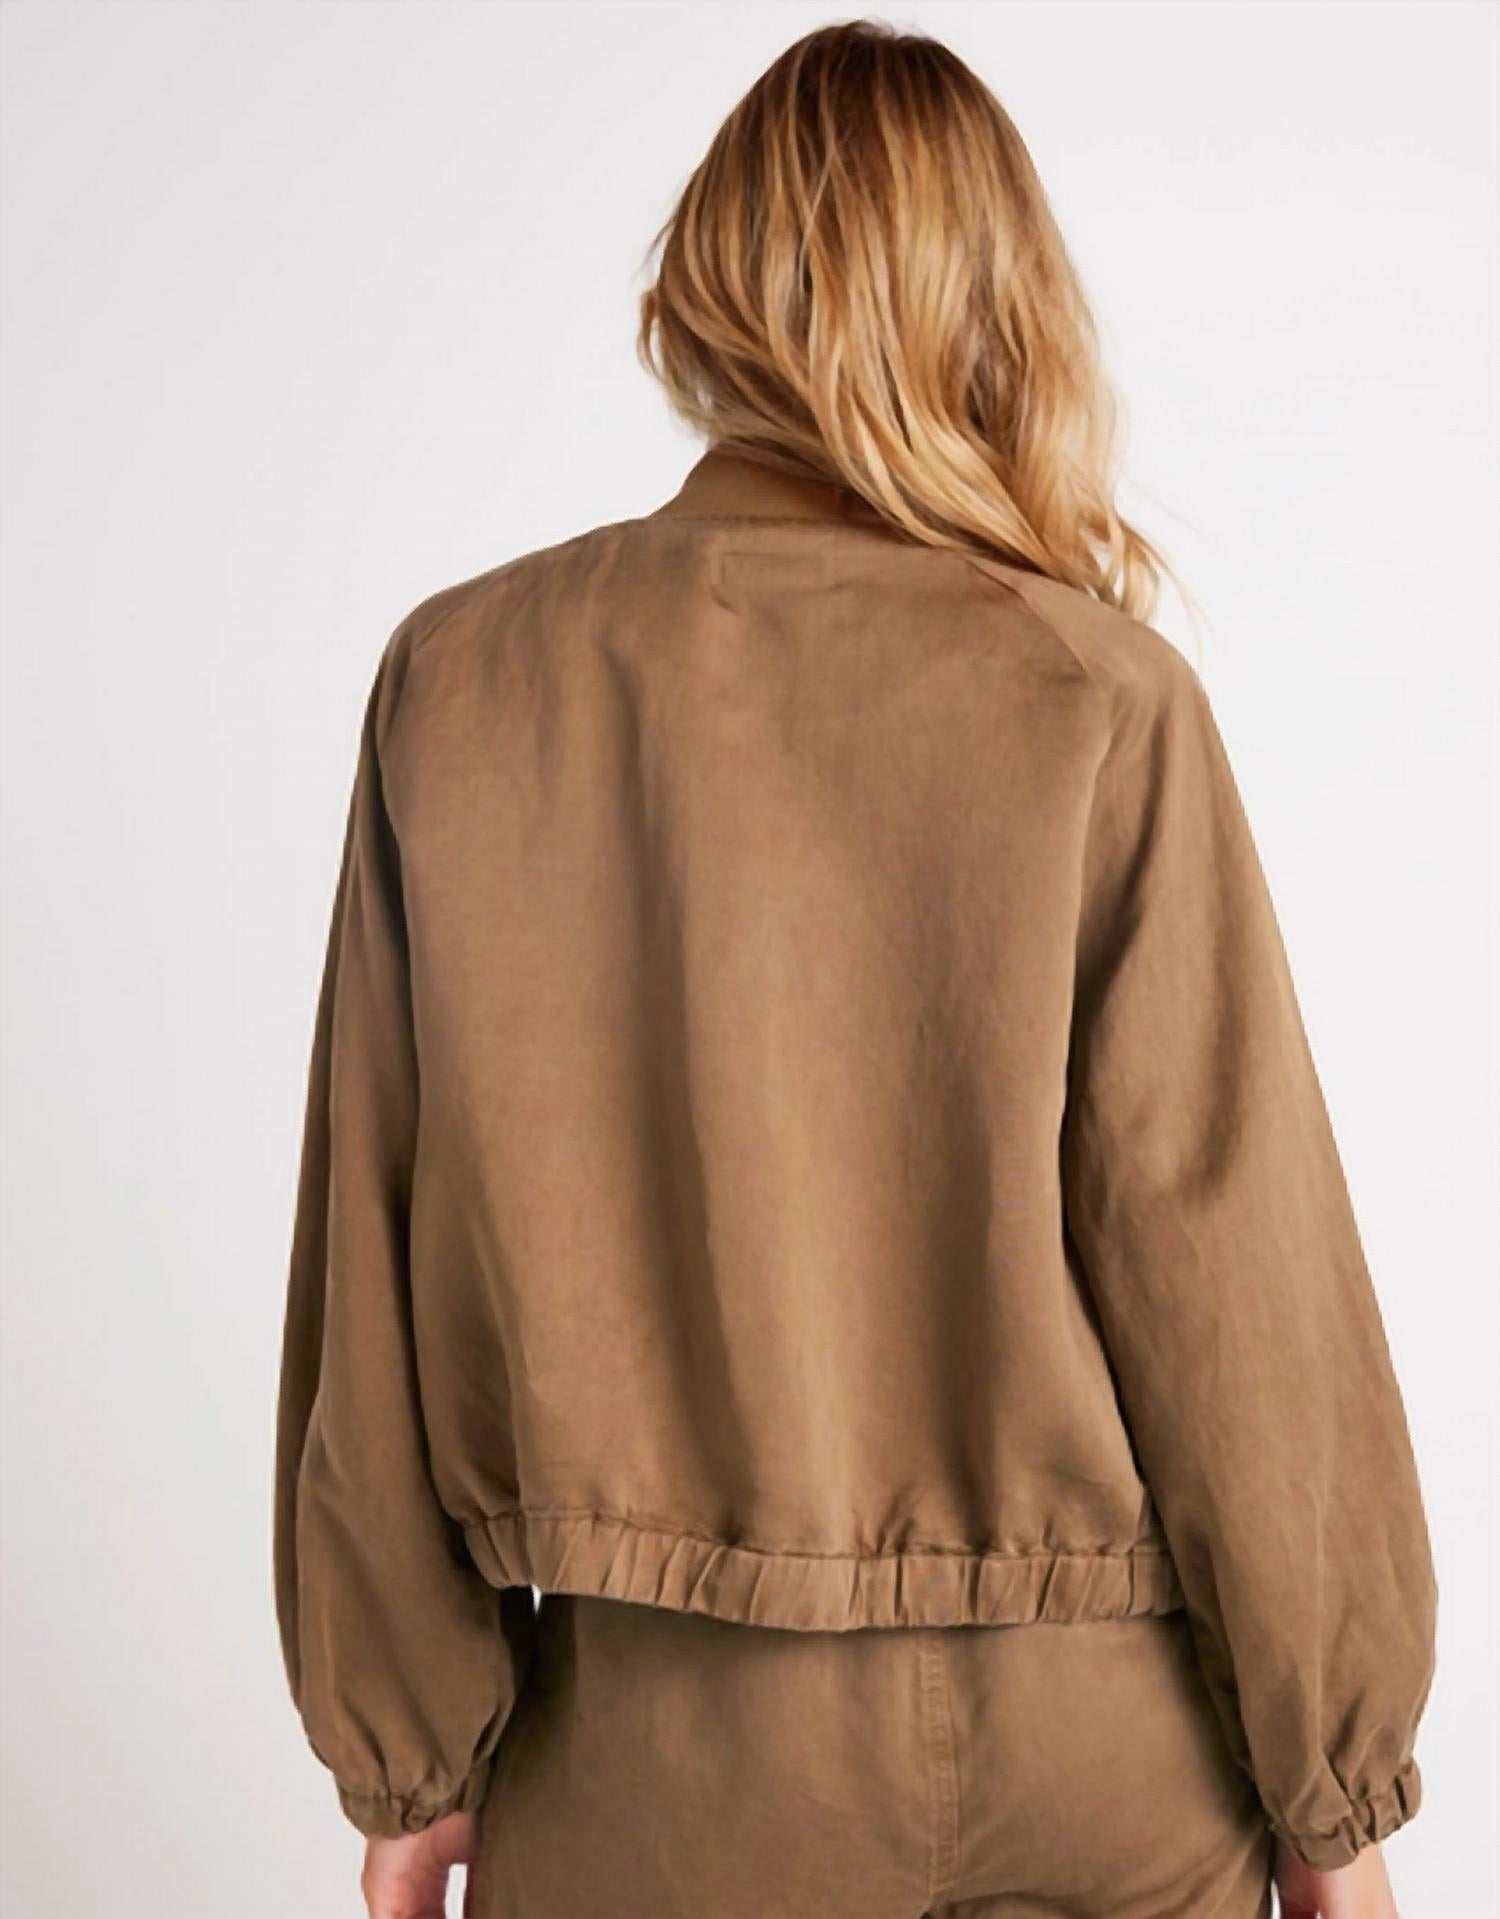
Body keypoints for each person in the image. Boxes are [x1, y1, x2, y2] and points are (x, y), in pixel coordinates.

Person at [273, 21, 1436, 1919]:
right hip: (1104, 1758)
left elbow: (372, 1255)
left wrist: (408, 1763)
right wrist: (1337, 1803)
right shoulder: (1097, 693)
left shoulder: (465, 678)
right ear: (1001, 303)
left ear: (710, 282)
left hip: (654, 1763)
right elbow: (1232, 1278)